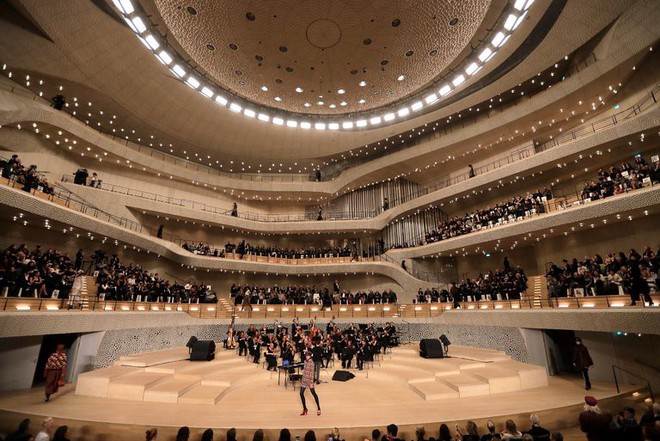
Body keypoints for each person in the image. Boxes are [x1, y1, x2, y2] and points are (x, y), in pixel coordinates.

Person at [299, 351, 321, 416]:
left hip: (309, 380)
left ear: (310, 356)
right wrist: (302, 378)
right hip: (304, 379)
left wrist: (311, 382)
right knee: (301, 393)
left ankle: (319, 408)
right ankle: (305, 409)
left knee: (313, 393)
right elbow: (304, 370)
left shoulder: (312, 363)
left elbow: (312, 373)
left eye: (308, 355)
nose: (306, 357)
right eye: (306, 355)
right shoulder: (305, 361)